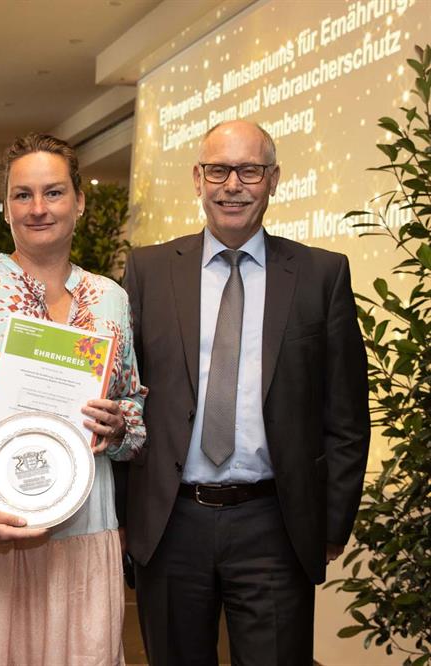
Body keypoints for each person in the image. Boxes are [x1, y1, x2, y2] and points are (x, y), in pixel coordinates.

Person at [119, 119, 370, 665]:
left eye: (250, 170)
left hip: (274, 525)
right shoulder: (148, 270)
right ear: (198, 178)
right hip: (170, 522)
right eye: (218, 170)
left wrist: (331, 524)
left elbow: (346, 415)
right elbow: (122, 399)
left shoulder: (321, 275)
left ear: (273, 180)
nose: (232, 185)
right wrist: (123, 518)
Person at [0, 132, 147, 665]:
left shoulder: (110, 299)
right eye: (22, 195)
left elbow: (133, 407)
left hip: (87, 532)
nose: (38, 208)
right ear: (6, 208)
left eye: (54, 192)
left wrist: (119, 425)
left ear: (80, 201)